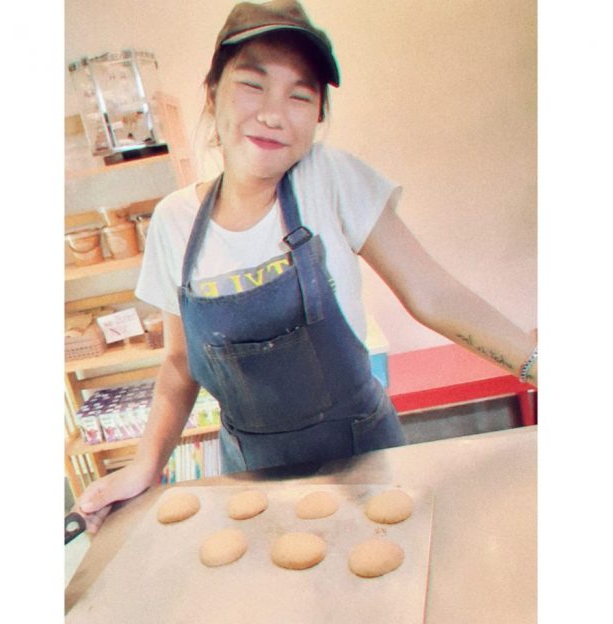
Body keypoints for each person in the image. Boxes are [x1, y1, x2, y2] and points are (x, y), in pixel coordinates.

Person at [76, 0, 537, 533]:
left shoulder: (329, 178)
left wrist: (538, 364)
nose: (274, 114)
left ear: (318, 115)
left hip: (365, 457)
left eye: (300, 95)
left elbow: (433, 294)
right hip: (253, 475)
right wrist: (144, 466)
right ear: (212, 93)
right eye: (253, 85)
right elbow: (180, 365)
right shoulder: (174, 221)